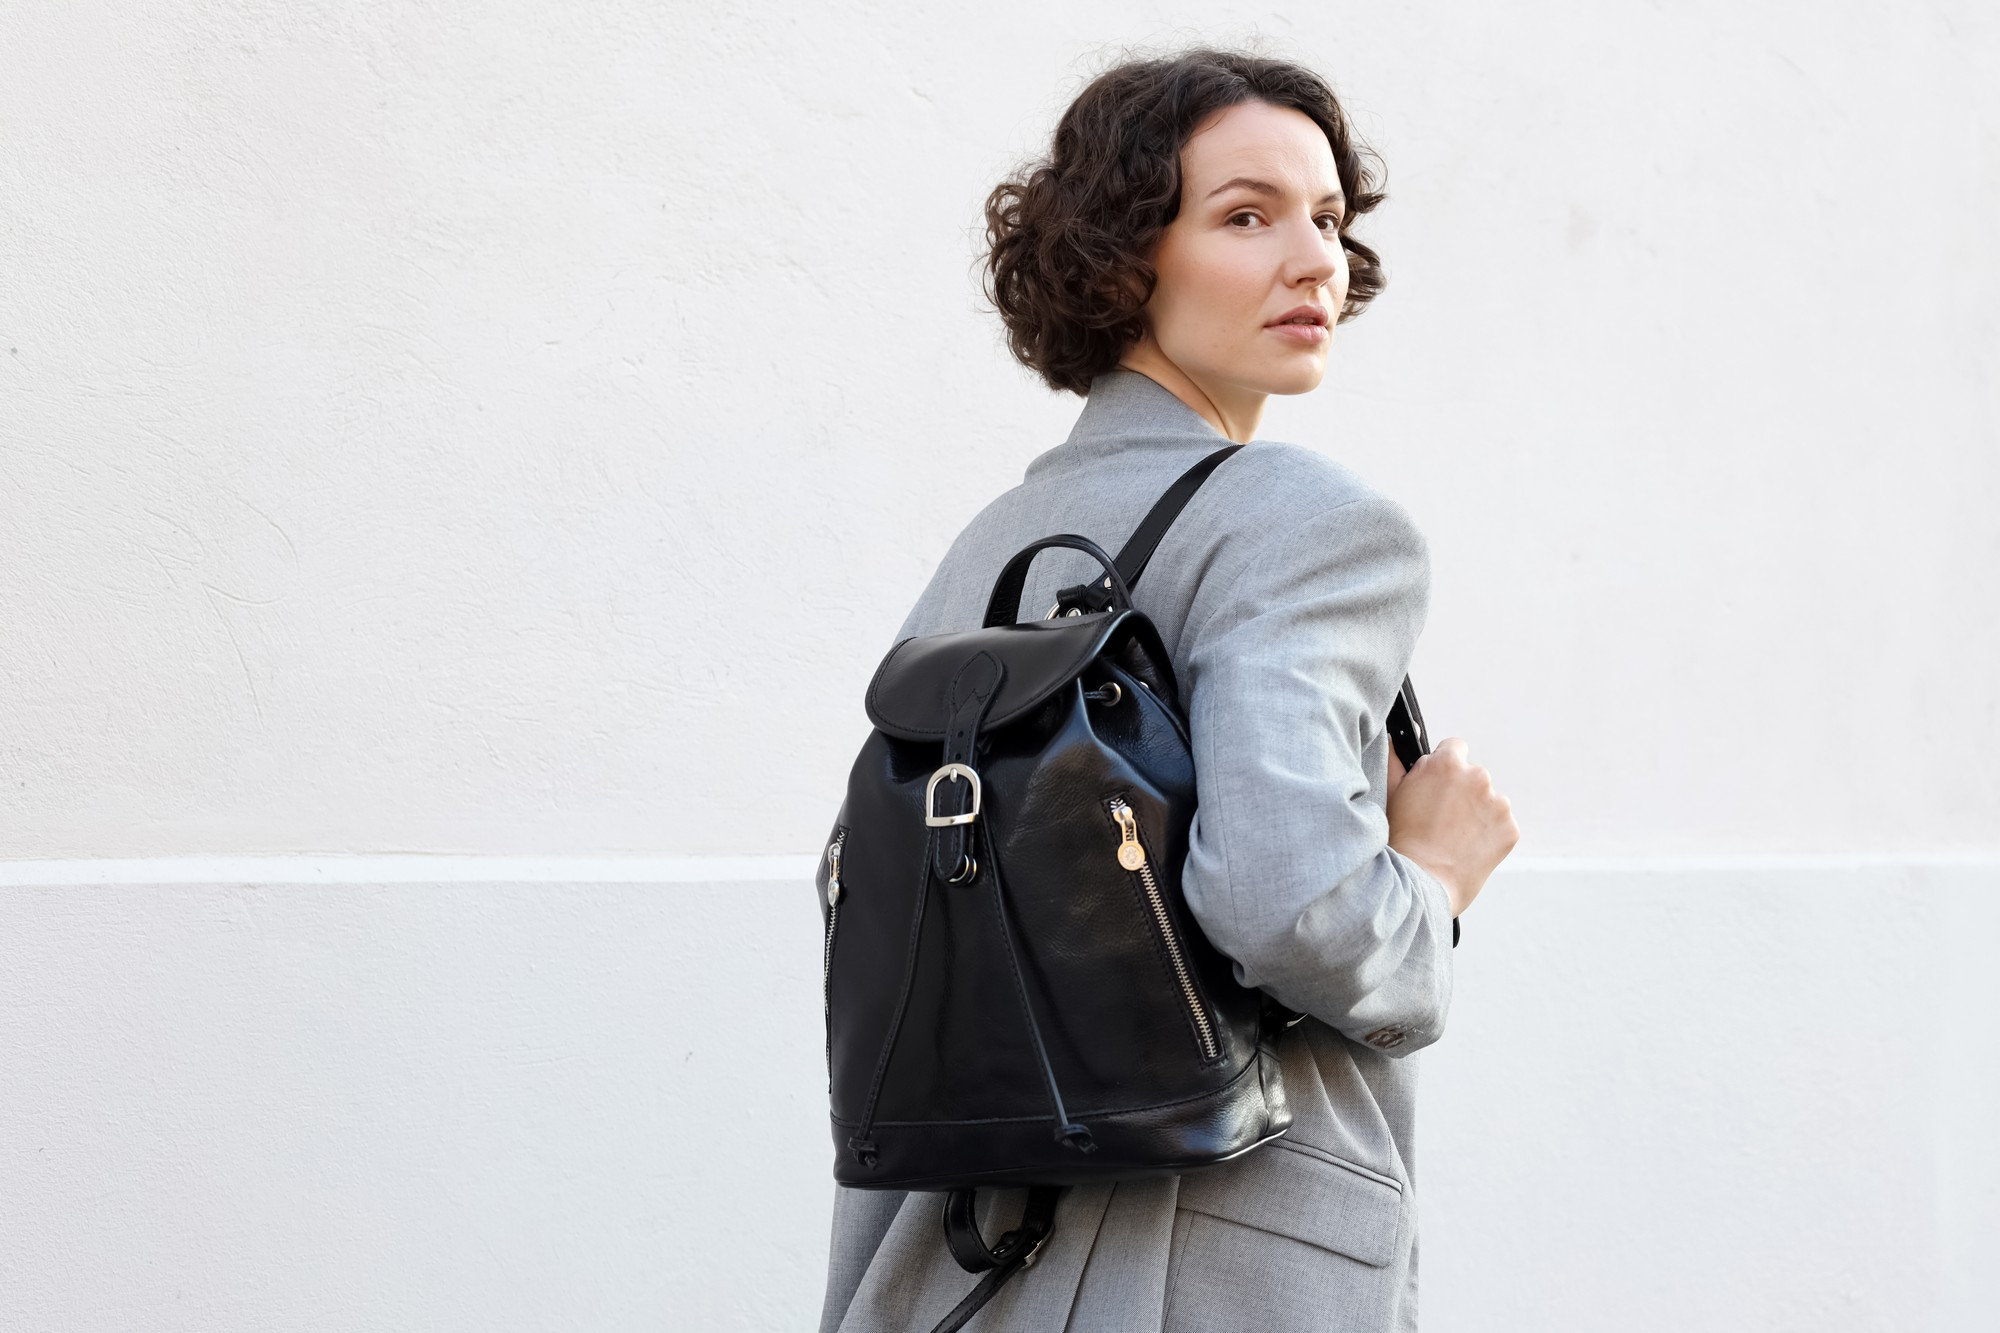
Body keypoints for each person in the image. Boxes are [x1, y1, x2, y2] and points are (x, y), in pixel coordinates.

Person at [818, 45, 1519, 1333]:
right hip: (1203, 1266)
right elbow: (1287, 901)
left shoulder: (999, 539)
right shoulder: (1311, 526)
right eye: (1245, 216)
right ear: (1122, 255)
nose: (1314, 259)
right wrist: (1433, 881)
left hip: (955, 1262)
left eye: (1327, 218)